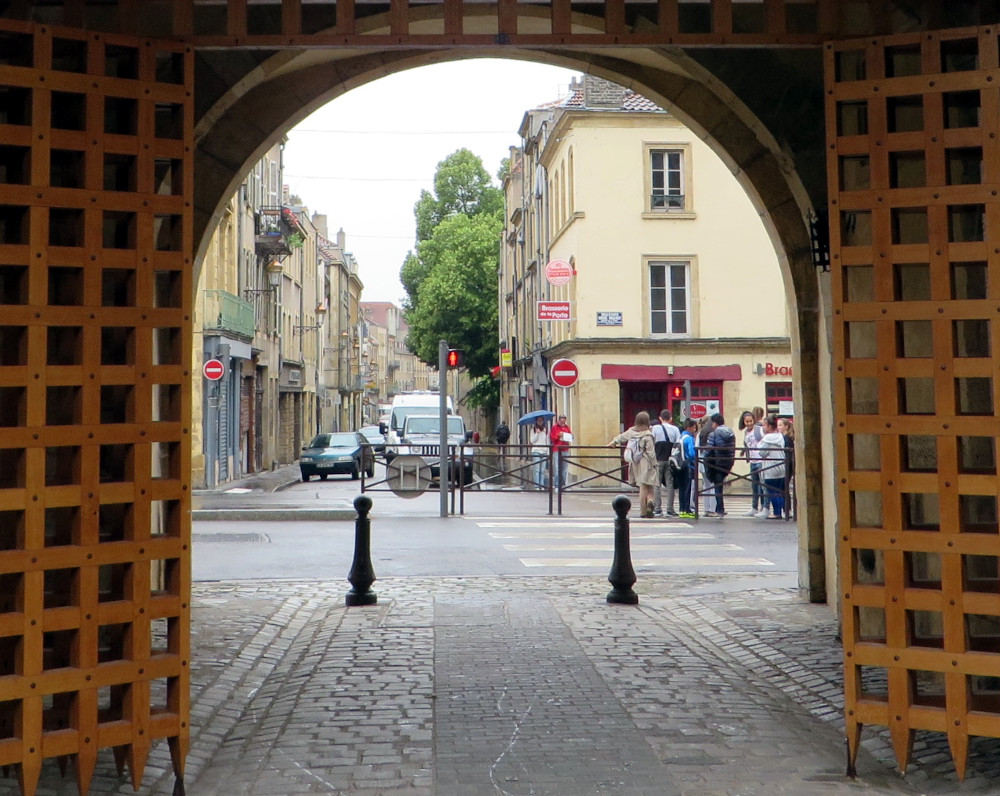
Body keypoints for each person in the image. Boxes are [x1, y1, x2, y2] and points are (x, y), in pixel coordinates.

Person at [609, 411, 658, 518]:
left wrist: (613, 442)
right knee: (648, 486)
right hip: (646, 462)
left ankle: (643, 511)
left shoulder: (631, 431)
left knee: (642, 486)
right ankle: (649, 503)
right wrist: (655, 464)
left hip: (635, 462)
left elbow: (621, 437)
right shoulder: (648, 434)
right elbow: (651, 452)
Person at [703, 413, 736, 517]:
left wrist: (704, 459)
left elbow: (709, 450)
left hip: (717, 462)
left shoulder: (713, 434)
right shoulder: (731, 432)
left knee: (718, 486)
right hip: (728, 462)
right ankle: (719, 508)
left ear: (714, 423)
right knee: (720, 484)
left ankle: (720, 508)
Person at [757, 415, 787, 519]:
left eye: (765, 425)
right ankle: (781, 511)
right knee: (779, 490)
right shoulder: (780, 436)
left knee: (772, 491)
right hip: (781, 465)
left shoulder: (767, 438)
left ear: (770, 426)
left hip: (770, 467)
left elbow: (762, 452)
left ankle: (776, 513)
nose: (763, 427)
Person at [652, 409, 680, 517]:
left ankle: (658, 508)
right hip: (670, 459)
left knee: (656, 484)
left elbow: (652, 442)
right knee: (670, 484)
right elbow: (678, 444)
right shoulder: (675, 429)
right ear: (671, 419)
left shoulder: (655, 428)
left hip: (658, 459)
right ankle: (670, 508)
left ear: (660, 418)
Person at [740, 410, 764, 516]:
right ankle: (754, 507)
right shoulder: (746, 432)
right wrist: (744, 452)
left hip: (761, 460)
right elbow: (747, 444)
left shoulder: (759, 430)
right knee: (754, 485)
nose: (749, 423)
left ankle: (763, 507)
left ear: (754, 420)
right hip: (753, 461)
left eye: (751, 421)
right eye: (747, 422)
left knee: (762, 485)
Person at [677, 419, 698, 518]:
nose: (695, 429)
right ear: (689, 427)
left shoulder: (680, 437)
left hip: (679, 465)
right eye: (694, 427)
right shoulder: (689, 438)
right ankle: (688, 509)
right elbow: (692, 453)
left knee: (681, 488)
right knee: (688, 488)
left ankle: (682, 510)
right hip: (688, 466)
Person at [777, 416, 795, 519]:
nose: (778, 427)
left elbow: (787, 453)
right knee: (784, 487)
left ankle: (787, 509)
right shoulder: (785, 437)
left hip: (787, 465)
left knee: (784, 487)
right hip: (787, 464)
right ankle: (787, 509)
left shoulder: (786, 438)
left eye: (780, 425)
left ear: (786, 426)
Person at [696, 416, 714, 515]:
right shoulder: (712, 432)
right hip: (711, 461)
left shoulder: (700, 433)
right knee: (713, 485)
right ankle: (712, 508)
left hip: (702, 460)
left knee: (705, 485)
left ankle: (706, 509)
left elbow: (696, 447)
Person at [550, 414, 573, 489]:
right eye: (561, 420)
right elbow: (552, 438)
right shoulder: (554, 427)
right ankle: (557, 484)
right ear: (559, 420)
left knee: (565, 468)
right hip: (557, 449)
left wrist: (569, 436)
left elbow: (571, 437)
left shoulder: (567, 428)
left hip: (565, 449)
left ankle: (563, 484)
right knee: (557, 468)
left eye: (564, 420)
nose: (563, 422)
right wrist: (558, 436)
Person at [528, 416, 549, 490]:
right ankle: (536, 485)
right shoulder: (532, 430)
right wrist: (537, 433)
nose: (540, 422)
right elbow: (532, 441)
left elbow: (547, 441)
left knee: (542, 469)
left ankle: (542, 485)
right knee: (537, 469)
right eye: (539, 420)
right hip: (536, 451)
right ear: (536, 421)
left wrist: (547, 451)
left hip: (544, 451)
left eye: (541, 420)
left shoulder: (545, 430)